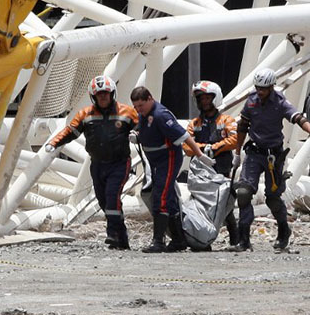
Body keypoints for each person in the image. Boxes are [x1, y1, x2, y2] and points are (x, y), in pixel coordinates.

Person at [233, 68, 310, 252]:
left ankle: (284, 230)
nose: (260, 92)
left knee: (273, 198)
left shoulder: (281, 102)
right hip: (253, 153)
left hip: (273, 157)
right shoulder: (251, 101)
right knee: (243, 193)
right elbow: (242, 126)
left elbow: (298, 118)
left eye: (264, 89)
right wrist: (236, 154)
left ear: (272, 87)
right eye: (258, 88)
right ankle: (244, 239)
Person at [46, 75, 138, 250]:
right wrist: (54, 143)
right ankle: (122, 237)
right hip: (97, 165)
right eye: (99, 95)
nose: (103, 97)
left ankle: (112, 233)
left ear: (112, 94)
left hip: (119, 163)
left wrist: (138, 135)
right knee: (104, 202)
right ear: (93, 97)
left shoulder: (127, 112)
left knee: (112, 197)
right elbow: (70, 131)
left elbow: (142, 128)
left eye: (106, 94)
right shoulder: (85, 114)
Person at [130, 86, 211, 253]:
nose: (139, 110)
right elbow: (149, 132)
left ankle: (158, 241)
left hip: (167, 159)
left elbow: (184, 136)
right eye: (136, 107)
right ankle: (179, 239)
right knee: (170, 198)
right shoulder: (145, 115)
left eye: (141, 106)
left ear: (150, 99)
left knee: (161, 197)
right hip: (155, 161)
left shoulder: (161, 115)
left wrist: (199, 154)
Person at [183, 80, 239, 248]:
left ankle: (236, 238)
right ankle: (201, 239)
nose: (203, 102)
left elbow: (235, 139)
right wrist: (203, 149)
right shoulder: (194, 123)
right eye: (200, 99)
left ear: (215, 98)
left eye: (207, 98)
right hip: (200, 173)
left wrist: (213, 149)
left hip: (221, 169)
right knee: (199, 204)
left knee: (224, 205)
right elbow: (186, 146)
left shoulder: (226, 120)